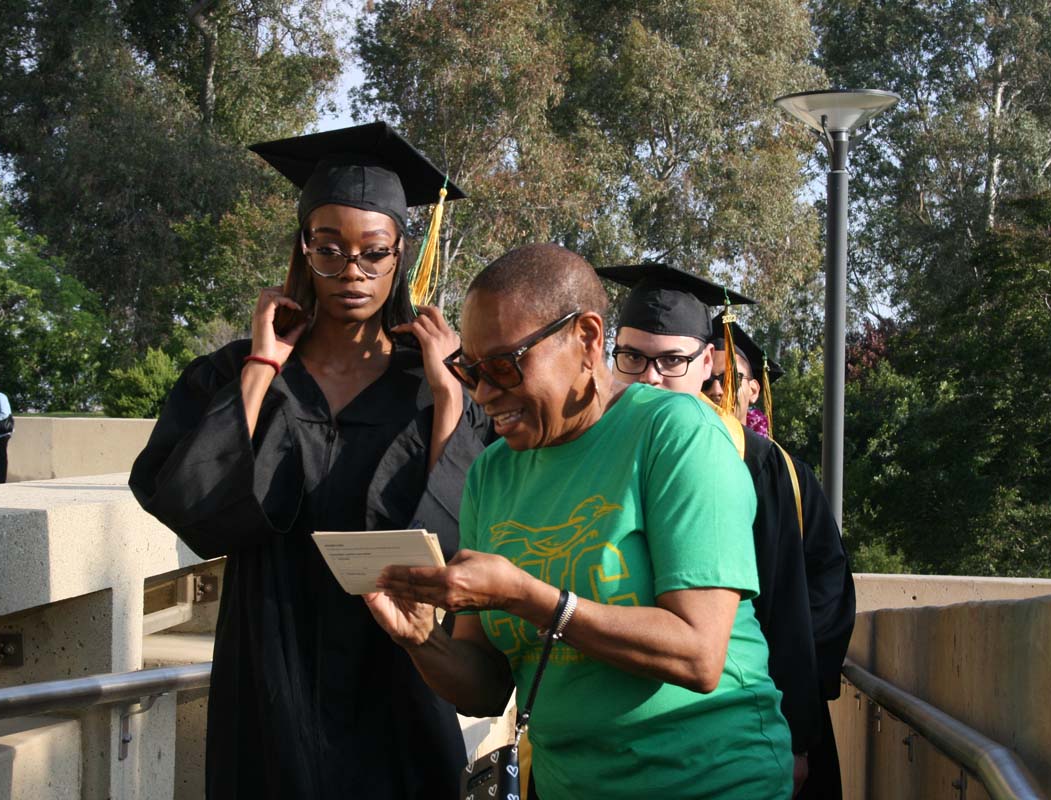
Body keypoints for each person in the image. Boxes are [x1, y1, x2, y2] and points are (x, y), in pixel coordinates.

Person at [129, 122, 491, 799]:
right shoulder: (238, 371)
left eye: (372, 252)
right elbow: (189, 505)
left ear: (400, 255)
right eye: (329, 249)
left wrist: (448, 398)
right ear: (304, 247)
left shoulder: (434, 384)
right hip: (272, 661)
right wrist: (263, 364)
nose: (351, 271)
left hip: (396, 660)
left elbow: (462, 531)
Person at [366, 244, 793, 799]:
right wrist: (423, 642)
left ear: (588, 339)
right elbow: (486, 688)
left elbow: (698, 653)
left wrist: (530, 598)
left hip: (710, 780)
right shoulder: (491, 474)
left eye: (504, 365)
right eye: (469, 371)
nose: (486, 393)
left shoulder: (676, 435)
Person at [597, 262, 855, 799]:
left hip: (732, 728)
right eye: (632, 357)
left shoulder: (759, 464)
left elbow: (791, 608)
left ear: (705, 363)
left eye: (671, 360)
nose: (649, 377)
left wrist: (798, 735)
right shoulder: (588, 454)